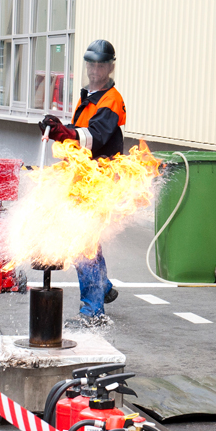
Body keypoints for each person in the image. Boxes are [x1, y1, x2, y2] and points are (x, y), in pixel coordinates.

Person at [39, 39, 126, 327]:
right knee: (88, 240)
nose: (94, 69)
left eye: (101, 64)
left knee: (83, 241)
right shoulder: (89, 95)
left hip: (98, 180)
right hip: (85, 179)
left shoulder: (110, 99)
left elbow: (96, 136)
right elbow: (81, 132)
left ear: (110, 67)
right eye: (91, 64)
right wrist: (59, 129)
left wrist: (66, 133)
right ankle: (102, 287)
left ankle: (93, 311)